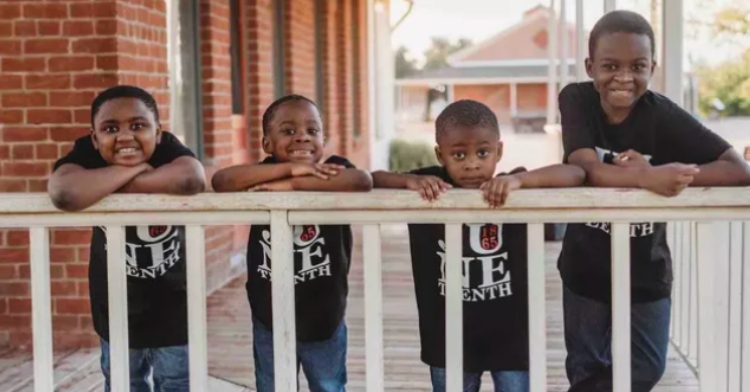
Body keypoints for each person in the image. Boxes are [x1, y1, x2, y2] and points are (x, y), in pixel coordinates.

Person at [557, 10, 750, 392]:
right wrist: (647, 177)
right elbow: (587, 168)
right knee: (585, 365)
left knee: (646, 367)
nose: (623, 77)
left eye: (638, 66)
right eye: (610, 65)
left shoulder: (660, 113)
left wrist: (666, 171)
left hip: (646, 269)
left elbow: (738, 169)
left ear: (653, 67)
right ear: (591, 66)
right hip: (585, 268)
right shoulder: (576, 99)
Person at [372, 99, 585, 392]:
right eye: (459, 154)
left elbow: (575, 174)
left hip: (510, 335)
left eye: (482, 152)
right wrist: (409, 181)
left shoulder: (510, 185)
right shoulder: (429, 185)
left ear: (499, 151)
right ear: (440, 154)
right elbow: (372, 180)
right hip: (447, 335)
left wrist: (519, 181)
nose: (472, 163)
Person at [48, 85, 206, 392]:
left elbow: (191, 178)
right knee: (124, 382)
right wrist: (132, 174)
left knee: (176, 382)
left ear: (158, 132)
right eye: (110, 128)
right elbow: (65, 193)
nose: (124, 136)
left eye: (138, 126)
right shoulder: (87, 152)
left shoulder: (167, 148)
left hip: (175, 304)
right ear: (95, 138)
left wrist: (108, 185)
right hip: (116, 306)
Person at [211, 94, 372, 392]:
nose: (302, 136)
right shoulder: (259, 174)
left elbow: (361, 181)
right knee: (273, 386)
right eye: (288, 131)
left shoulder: (333, 168)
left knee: (328, 385)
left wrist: (292, 185)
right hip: (269, 314)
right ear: (267, 145)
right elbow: (221, 180)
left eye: (313, 131)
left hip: (325, 312)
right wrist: (288, 169)